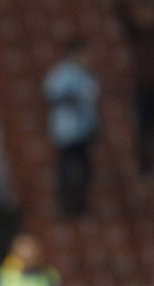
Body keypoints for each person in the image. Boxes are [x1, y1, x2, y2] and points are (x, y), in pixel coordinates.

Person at [44, 38, 100, 219]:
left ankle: (80, 203)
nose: (88, 57)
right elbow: (53, 94)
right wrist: (74, 98)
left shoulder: (87, 75)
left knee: (85, 168)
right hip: (68, 130)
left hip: (85, 128)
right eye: (84, 54)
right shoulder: (62, 73)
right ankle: (65, 204)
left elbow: (92, 99)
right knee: (68, 167)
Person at [118, 0, 154, 176]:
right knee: (144, 128)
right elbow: (124, 17)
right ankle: (145, 166)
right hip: (143, 88)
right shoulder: (138, 34)